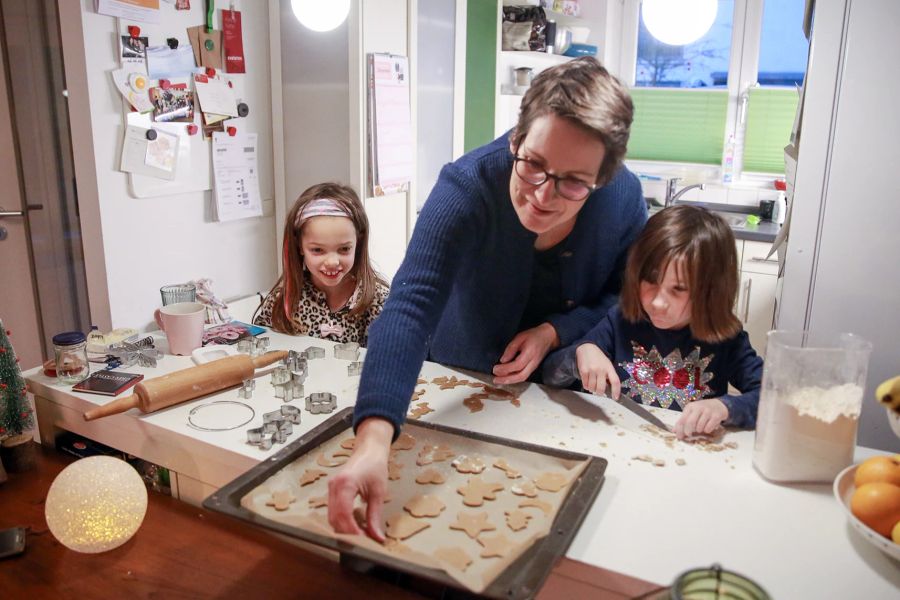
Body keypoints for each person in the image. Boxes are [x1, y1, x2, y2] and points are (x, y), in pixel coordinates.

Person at [328, 57, 646, 539]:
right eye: (533, 164)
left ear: (603, 176)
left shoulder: (623, 198)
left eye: (574, 182)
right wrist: (373, 439)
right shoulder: (467, 186)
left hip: (561, 403)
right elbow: (410, 308)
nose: (543, 194)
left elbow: (626, 299)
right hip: (459, 381)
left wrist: (555, 331)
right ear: (517, 137)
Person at [542, 205, 764, 440]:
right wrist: (580, 354)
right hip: (621, 446)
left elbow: (773, 399)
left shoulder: (726, 339)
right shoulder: (620, 321)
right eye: (650, 280)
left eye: (678, 289)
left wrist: (726, 407)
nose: (658, 302)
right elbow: (550, 375)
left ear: (711, 292)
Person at [253, 182, 389, 346]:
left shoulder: (377, 301)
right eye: (317, 250)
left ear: (358, 242)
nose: (332, 262)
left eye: (344, 249)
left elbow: (389, 361)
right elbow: (262, 347)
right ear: (300, 246)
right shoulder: (284, 298)